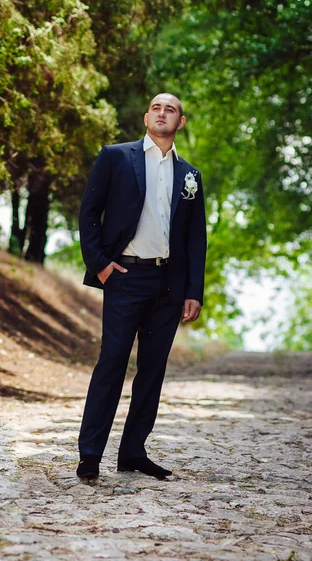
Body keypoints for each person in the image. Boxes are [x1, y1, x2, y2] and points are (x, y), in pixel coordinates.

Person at [76, 93, 207, 480]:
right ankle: (90, 454)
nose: (162, 113)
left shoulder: (190, 175)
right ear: (146, 116)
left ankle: (133, 452)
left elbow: (195, 238)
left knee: (152, 370)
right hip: (125, 277)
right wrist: (99, 265)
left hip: (169, 284)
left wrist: (193, 290)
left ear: (180, 123)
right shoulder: (116, 156)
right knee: (112, 362)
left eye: (171, 109)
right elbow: (88, 212)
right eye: (156, 107)